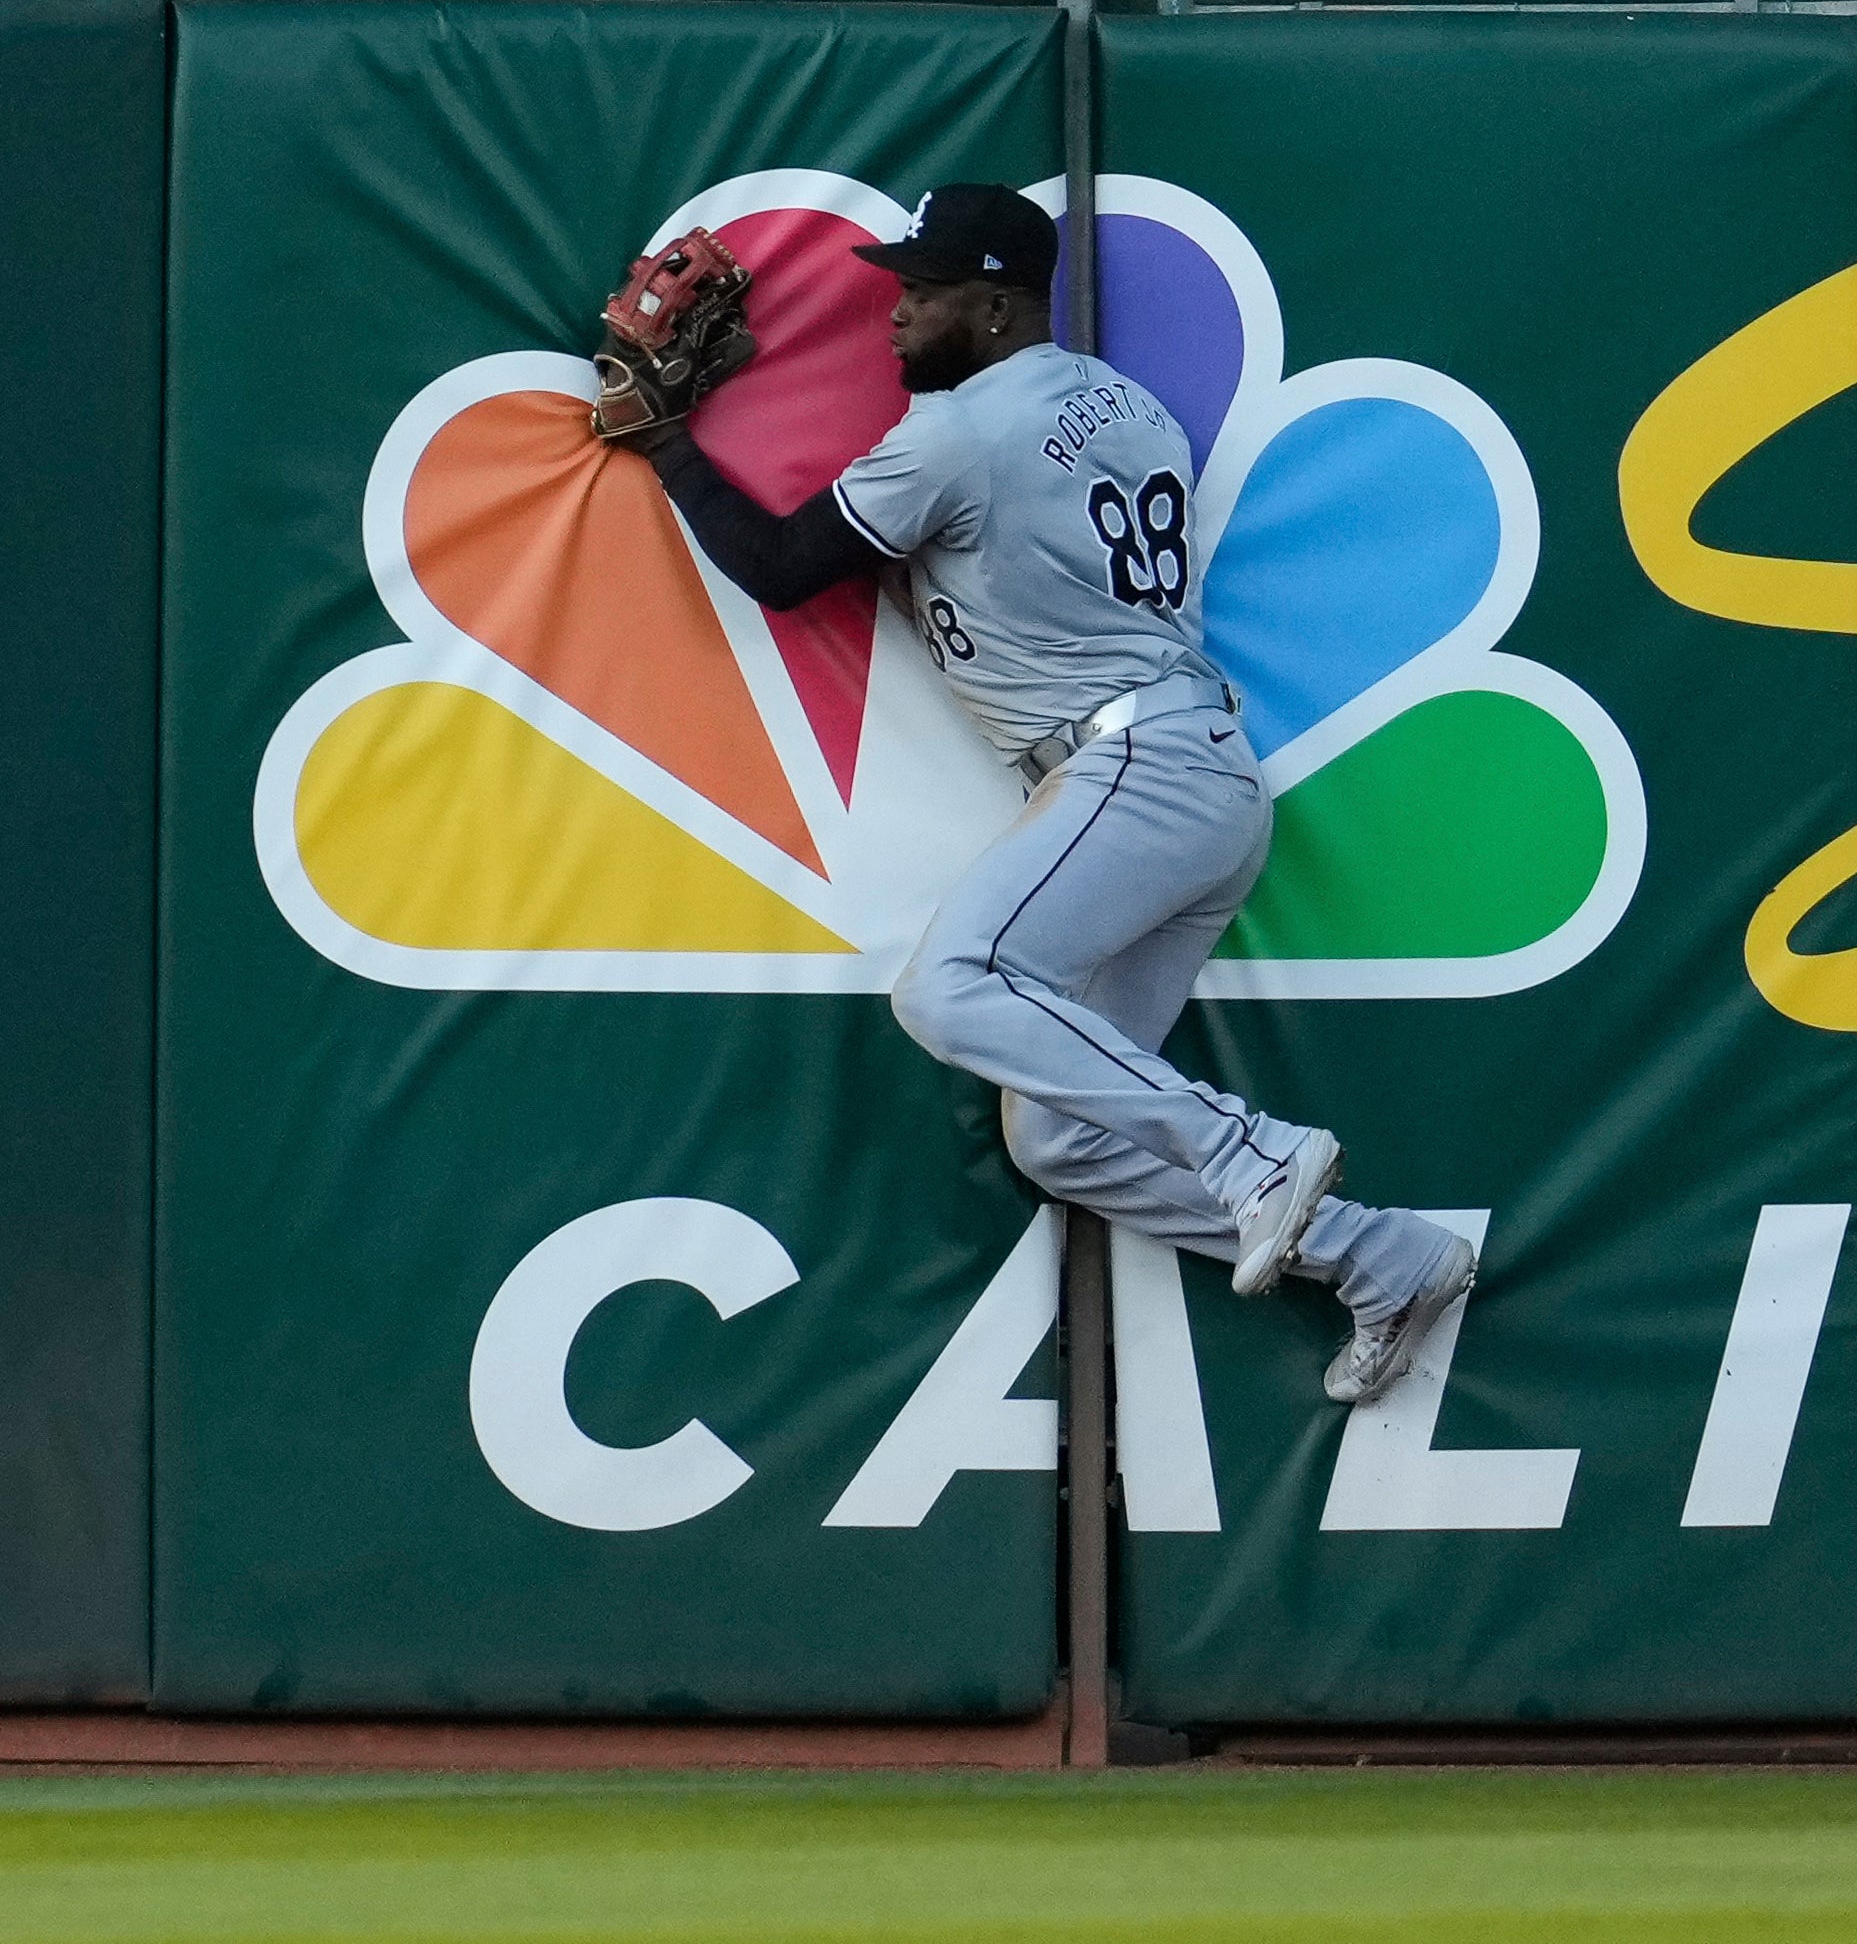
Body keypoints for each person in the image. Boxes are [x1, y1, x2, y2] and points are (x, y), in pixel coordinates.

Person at [607, 184, 1477, 1404]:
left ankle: (1249, 1152)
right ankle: (1381, 1255)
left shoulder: (963, 433)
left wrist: (668, 447)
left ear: (1002, 304)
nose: (896, 317)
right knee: (1061, 1134)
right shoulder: (1129, 404)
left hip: (1134, 768)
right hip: (1197, 780)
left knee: (949, 987)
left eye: (924, 293)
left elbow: (783, 569)